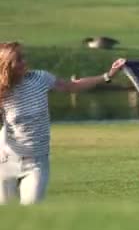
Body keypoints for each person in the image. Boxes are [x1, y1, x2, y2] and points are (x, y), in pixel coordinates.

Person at [0, 41, 126, 205]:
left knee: (31, 213)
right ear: (7, 64)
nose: (25, 61)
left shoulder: (40, 78)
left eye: (24, 57)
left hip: (36, 162)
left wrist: (107, 75)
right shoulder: (3, 91)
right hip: (5, 162)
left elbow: (72, 86)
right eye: (19, 59)